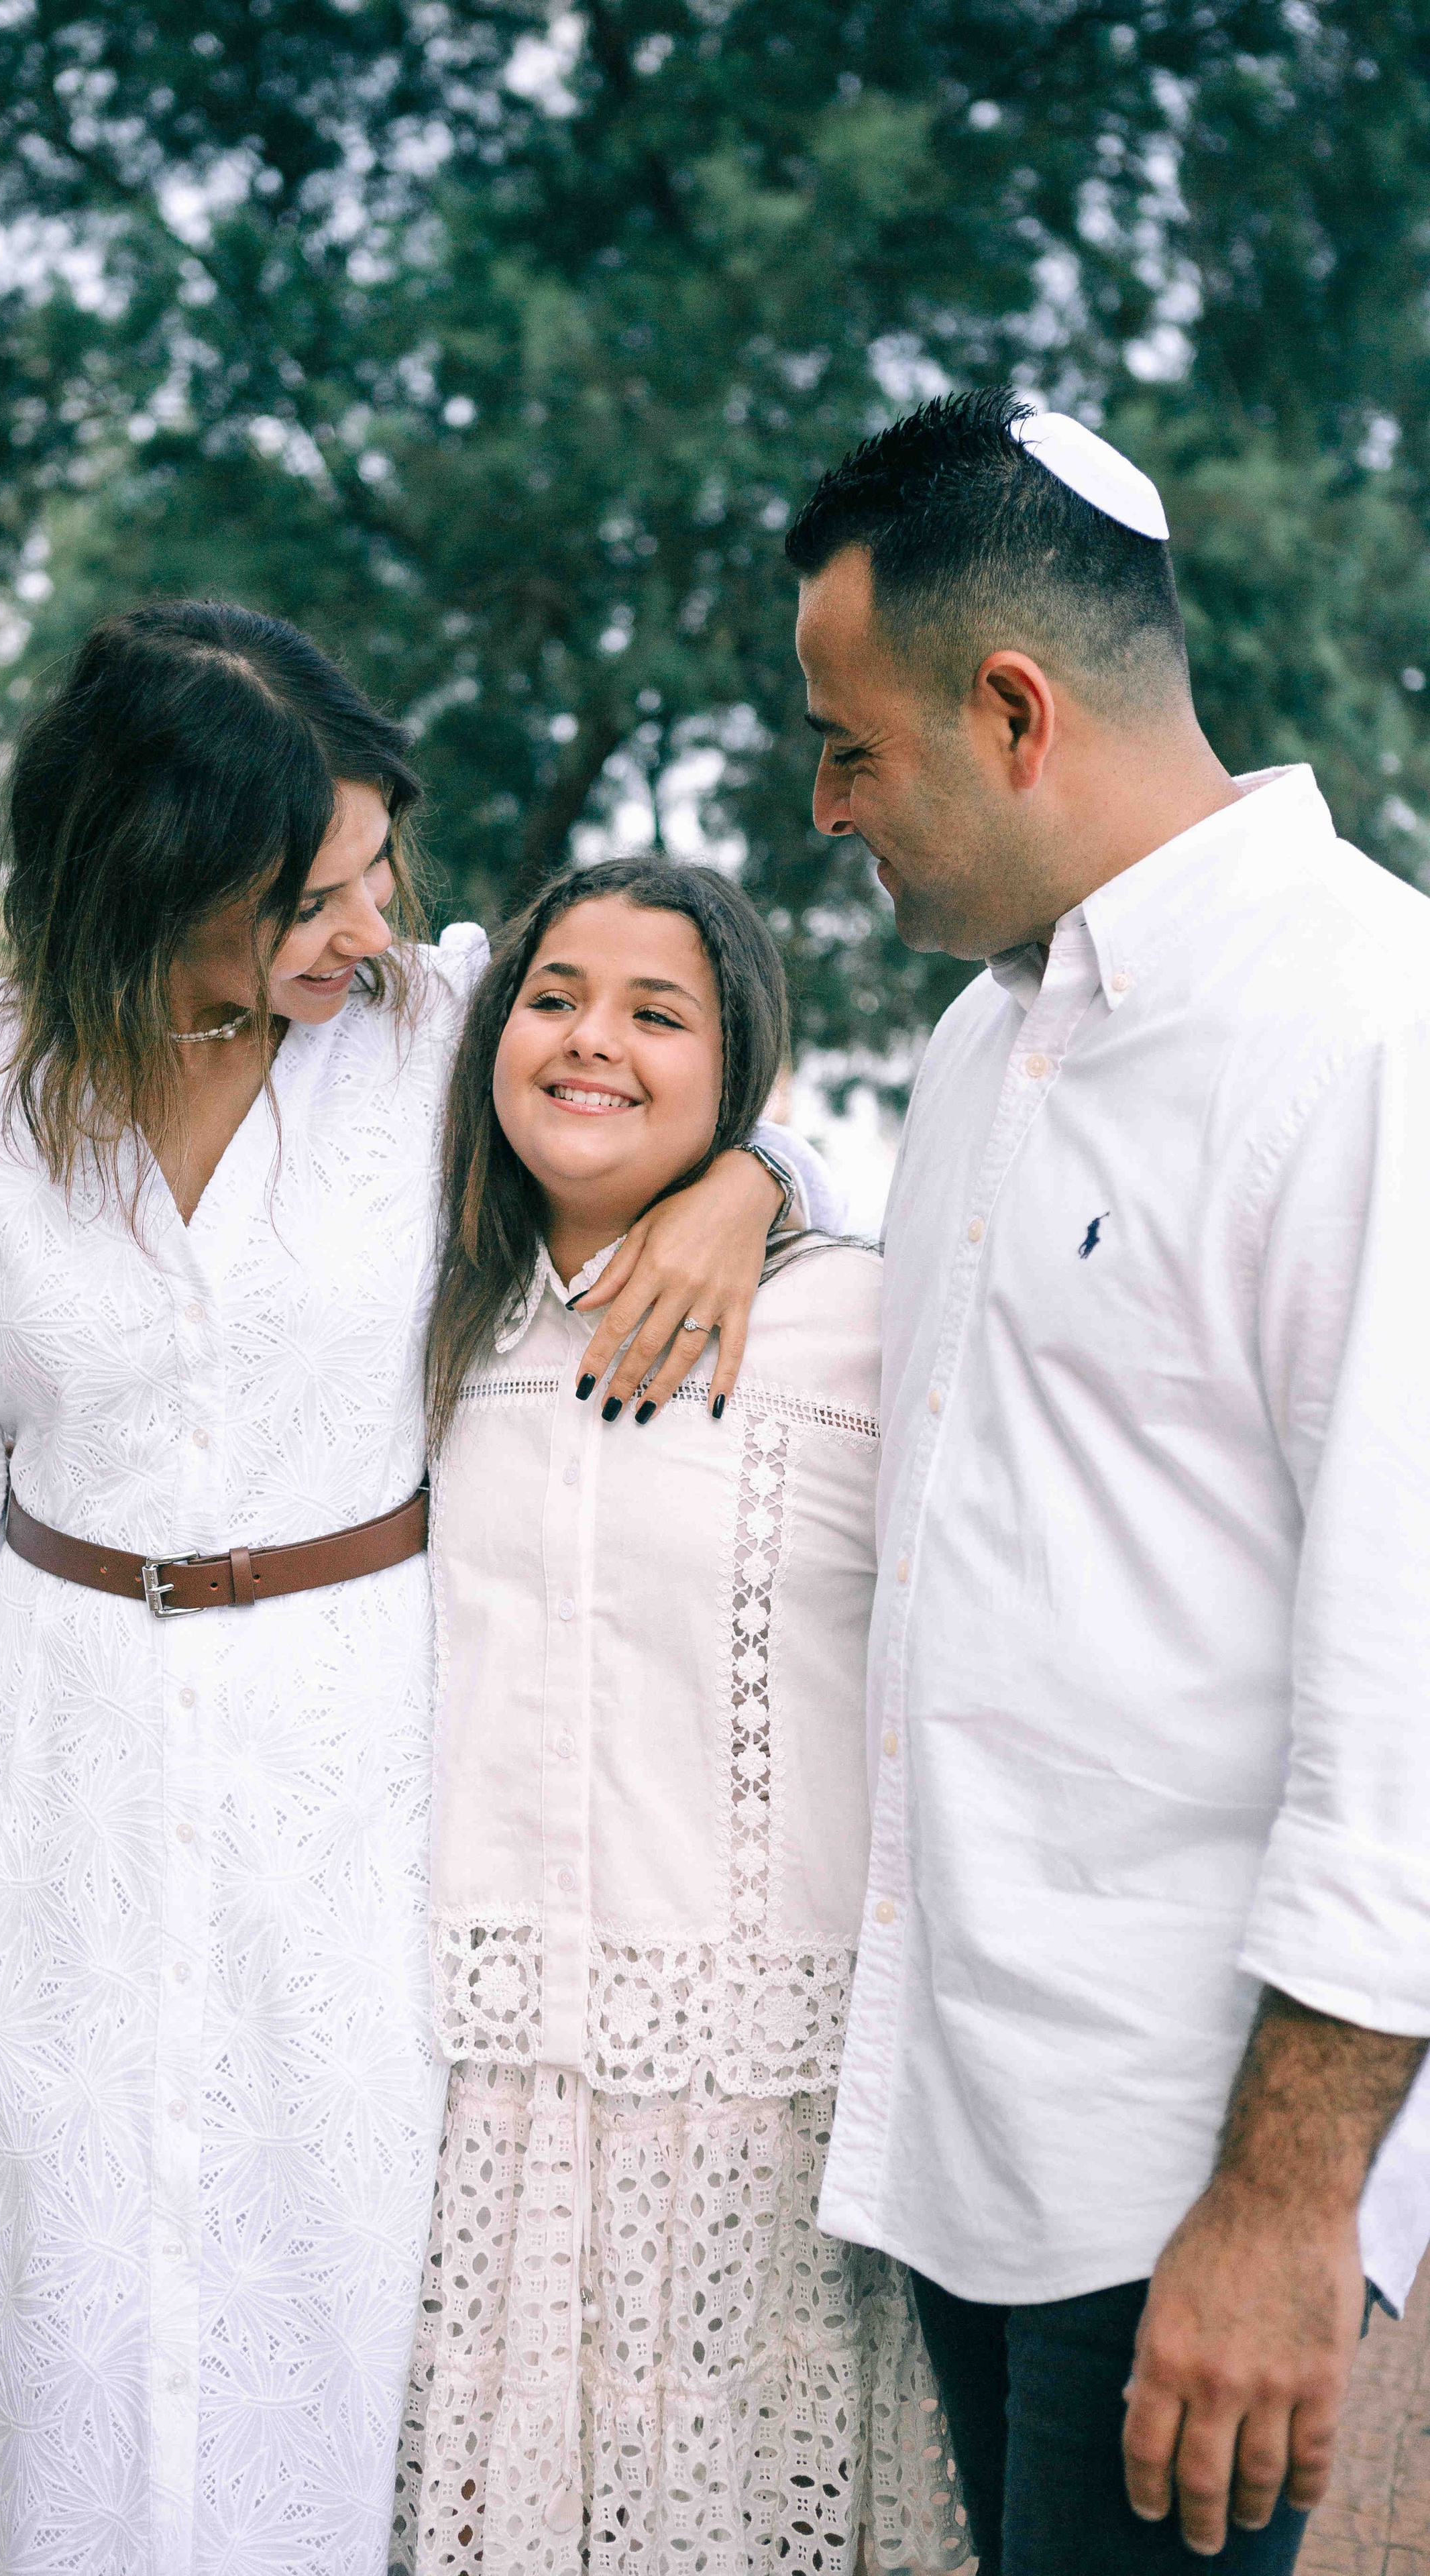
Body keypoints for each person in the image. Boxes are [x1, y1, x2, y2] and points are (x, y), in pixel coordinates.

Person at [0, 602, 833, 2575]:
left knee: (332, 2301)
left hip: (360, 1770)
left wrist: (747, 1180)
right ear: (148, 885)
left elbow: (723, 1093)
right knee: (59, 2295)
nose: (369, 929)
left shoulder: (440, 1032)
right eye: (308, 899)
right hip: (69, 1764)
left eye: (377, 876)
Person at [785, 390, 1430, 2572]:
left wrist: (1287, 2207)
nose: (822, 805)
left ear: (1014, 707)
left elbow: (1414, 1688)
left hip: (1193, 2170)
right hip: (970, 2121)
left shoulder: (1372, 1027)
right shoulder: (980, 1043)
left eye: (850, 747)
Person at [388, 857, 970, 2576]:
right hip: (479, 2095)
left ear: (738, 1074)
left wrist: (752, 1185)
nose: (591, 1042)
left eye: (661, 1015)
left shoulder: (860, 1321)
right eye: (555, 997)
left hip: (756, 2107)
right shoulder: (425, 1320)